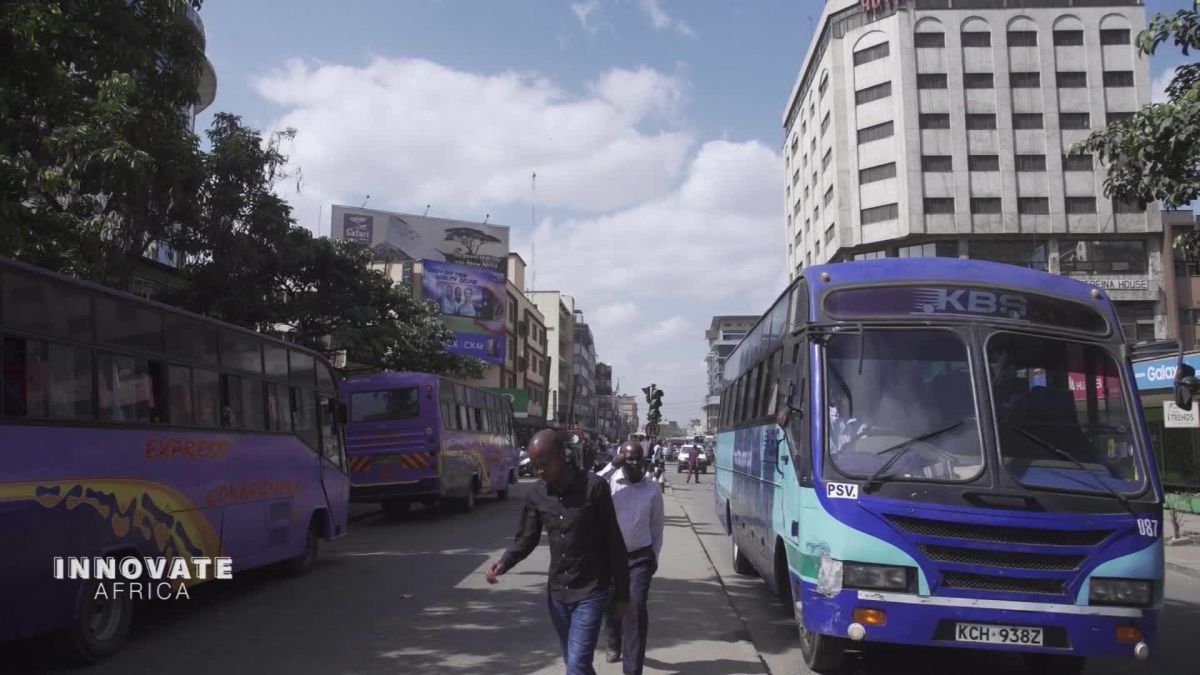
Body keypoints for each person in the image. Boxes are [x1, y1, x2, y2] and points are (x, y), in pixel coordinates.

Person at [485, 430, 629, 675]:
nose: (539, 471)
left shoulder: (595, 487)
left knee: (577, 666)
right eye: (535, 465)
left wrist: (623, 595)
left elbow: (614, 542)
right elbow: (527, 538)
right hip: (558, 594)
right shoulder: (537, 494)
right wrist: (504, 562)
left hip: (591, 591)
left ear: (562, 456)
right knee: (573, 661)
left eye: (544, 464)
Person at [596, 442, 664, 673]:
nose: (635, 463)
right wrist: (610, 467)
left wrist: (653, 557)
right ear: (621, 459)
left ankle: (632, 669)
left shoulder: (652, 489)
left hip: (640, 557)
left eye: (638, 458)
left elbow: (656, 527)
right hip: (609, 557)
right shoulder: (610, 484)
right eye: (629, 458)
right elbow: (588, 486)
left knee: (635, 607)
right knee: (612, 604)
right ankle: (614, 639)